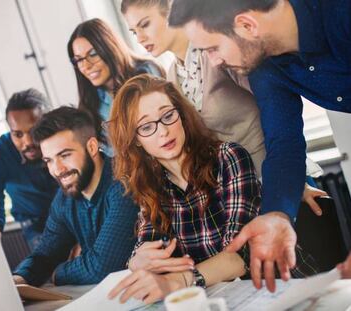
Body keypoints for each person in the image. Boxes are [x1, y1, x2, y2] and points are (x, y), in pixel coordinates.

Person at [168, 0, 351, 291]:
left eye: (212, 48)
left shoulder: (340, 13)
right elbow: (284, 142)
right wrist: (277, 214)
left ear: (247, 25)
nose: (213, 62)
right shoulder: (265, 63)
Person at [106, 74, 316, 304]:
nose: (163, 131)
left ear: (182, 115)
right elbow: (150, 247)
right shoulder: (152, 186)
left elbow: (240, 255)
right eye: (146, 127)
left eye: (168, 116)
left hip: (284, 288)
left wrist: (179, 281)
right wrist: (137, 261)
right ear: (135, 140)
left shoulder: (229, 157)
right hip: (225, 299)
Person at [120, 0, 265, 176]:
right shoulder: (171, 78)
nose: (140, 38)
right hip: (230, 186)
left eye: (145, 25)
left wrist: (289, 175)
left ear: (171, 13)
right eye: (134, 32)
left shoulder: (217, 52)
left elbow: (275, 104)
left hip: (270, 172)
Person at [12, 107, 139, 286]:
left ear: (92, 147)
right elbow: (45, 254)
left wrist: (57, 273)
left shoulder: (124, 182)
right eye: (49, 160)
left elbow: (102, 267)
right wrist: (19, 280)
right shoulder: (64, 199)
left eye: (64, 155)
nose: (57, 170)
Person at [67, 18, 164, 155]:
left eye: (93, 54)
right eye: (79, 60)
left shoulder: (147, 73)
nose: (86, 66)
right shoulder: (91, 104)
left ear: (109, 47)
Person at [0, 88, 58, 250]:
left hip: (75, 212)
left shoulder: (62, 138)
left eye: (34, 130)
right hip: (36, 225)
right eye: (18, 134)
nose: (28, 141)